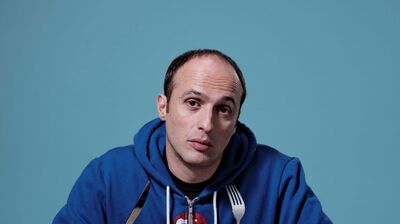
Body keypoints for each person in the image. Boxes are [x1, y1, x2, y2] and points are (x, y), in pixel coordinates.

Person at [53, 49, 332, 224]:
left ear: (235, 123)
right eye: (193, 103)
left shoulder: (279, 179)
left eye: (223, 109)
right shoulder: (108, 176)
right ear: (163, 106)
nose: (206, 124)